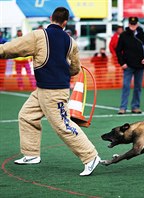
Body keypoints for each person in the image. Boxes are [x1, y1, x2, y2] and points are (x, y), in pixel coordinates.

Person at [0, 7, 100, 176]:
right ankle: (31, 154)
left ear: (51, 18)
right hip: (46, 89)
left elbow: (12, 48)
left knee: (63, 125)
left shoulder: (39, 35)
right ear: (65, 22)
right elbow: (75, 68)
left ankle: (91, 156)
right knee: (27, 115)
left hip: (53, 91)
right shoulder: (71, 42)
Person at [116, 17, 144, 114]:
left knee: (138, 87)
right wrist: (122, 63)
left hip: (140, 66)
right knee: (126, 86)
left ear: (137, 24)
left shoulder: (142, 35)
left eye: (134, 24)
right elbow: (118, 50)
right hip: (128, 66)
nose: (133, 26)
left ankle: (135, 107)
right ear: (129, 24)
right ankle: (123, 107)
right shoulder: (123, 35)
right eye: (131, 24)